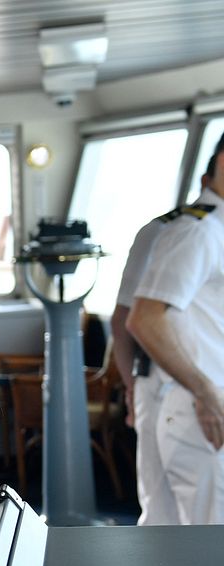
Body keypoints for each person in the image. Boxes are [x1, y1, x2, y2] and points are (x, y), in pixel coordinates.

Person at [127, 133, 224, 525]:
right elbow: (143, 319)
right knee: (209, 551)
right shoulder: (196, 231)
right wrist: (205, 391)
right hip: (200, 408)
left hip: (206, 401)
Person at [109, 208, 184, 526]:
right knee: (164, 510)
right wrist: (133, 388)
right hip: (164, 387)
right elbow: (125, 320)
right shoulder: (164, 231)